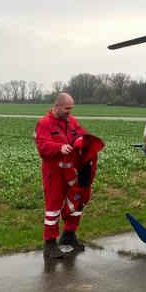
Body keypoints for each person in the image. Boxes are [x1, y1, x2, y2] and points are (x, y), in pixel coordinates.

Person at [34, 93, 104, 259]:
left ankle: (69, 235)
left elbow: (80, 132)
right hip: (55, 173)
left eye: (71, 109)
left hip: (72, 170)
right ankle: (50, 244)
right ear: (57, 106)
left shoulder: (71, 120)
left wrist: (81, 140)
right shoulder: (44, 123)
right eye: (67, 108)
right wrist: (59, 147)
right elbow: (42, 146)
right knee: (53, 208)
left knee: (77, 201)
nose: (69, 112)